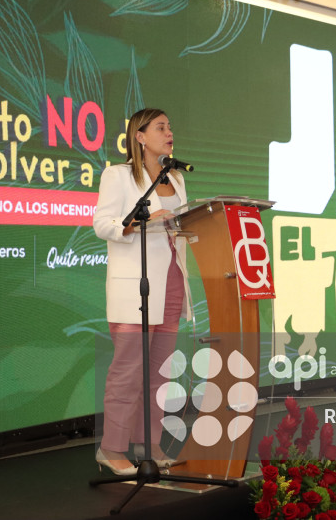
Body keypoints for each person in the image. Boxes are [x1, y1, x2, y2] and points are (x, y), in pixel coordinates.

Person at [92, 108, 188, 475]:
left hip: (173, 280)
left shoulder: (176, 179)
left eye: (170, 126)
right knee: (128, 371)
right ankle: (112, 449)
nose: (169, 132)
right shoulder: (117, 175)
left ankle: (149, 445)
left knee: (159, 372)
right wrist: (139, 222)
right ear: (140, 136)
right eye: (161, 127)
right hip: (136, 285)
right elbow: (103, 224)